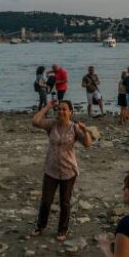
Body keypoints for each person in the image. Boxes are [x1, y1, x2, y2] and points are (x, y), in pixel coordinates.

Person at [31, 99, 92, 241]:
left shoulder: (74, 128)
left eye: (64, 109)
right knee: (46, 201)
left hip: (68, 171)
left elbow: (88, 144)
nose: (61, 111)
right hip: (51, 169)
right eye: (59, 109)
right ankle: (40, 226)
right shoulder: (51, 125)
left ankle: (62, 230)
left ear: (70, 112)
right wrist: (48, 106)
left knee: (65, 202)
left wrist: (85, 130)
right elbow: (35, 121)